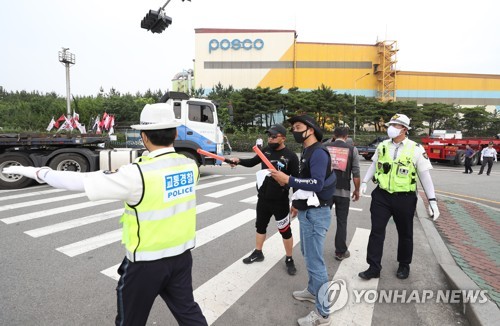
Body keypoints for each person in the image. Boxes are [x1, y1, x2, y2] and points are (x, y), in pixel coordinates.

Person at [2, 106, 208, 326]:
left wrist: (35, 171)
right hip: (181, 257)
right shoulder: (189, 166)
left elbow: (78, 182)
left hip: (146, 263)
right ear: (175, 133)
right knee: (188, 312)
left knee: (130, 320)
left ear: (143, 136)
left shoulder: (137, 174)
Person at [270, 115, 336, 326]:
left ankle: (323, 313)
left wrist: (287, 180)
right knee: (308, 254)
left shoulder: (318, 152)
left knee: (316, 261)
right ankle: (312, 290)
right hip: (308, 211)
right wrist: (297, 203)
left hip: (317, 213)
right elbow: (306, 183)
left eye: (298, 127)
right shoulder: (307, 151)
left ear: (311, 130)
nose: (295, 131)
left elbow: (316, 183)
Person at [358, 113, 440, 281]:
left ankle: (404, 264)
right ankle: (373, 267)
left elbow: (424, 176)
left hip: (405, 197)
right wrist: (364, 181)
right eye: (391, 124)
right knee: (376, 231)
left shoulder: (416, 149)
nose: (391, 128)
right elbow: (375, 165)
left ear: (404, 129)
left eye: (395, 125)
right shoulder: (382, 146)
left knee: (405, 232)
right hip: (382, 195)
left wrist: (432, 201)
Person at [230, 124, 300, 275]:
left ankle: (289, 258)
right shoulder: (265, 151)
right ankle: (258, 252)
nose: (271, 138)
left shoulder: (291, 156)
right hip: (263, 199)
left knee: (285, 231)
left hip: (280, 201)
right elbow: (251, 163)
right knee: (260, 227)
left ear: (283, 138)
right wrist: (238, 160)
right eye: (269, 136)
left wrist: (295, 202)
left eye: (274, 136)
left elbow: (295, 181)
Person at [323, 126, 361, 261]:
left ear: (334, 134)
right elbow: (356, 173)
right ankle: (340, 251)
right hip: (343, 191)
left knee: (322, 219)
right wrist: (356, 190)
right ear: (346, 136)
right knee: (342, 221)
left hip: (326, 190)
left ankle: (316, 247)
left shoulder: (325, 147)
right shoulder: (352, 149)